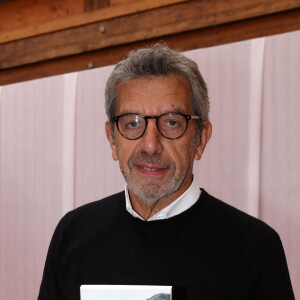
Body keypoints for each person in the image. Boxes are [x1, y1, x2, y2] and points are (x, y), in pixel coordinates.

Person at [38, 44, 294, 300]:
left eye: (172, 122)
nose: (150, 145)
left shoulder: (255, 248)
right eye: (132, 123)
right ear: (112, 140)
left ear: (201, 139)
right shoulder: (73, 235)